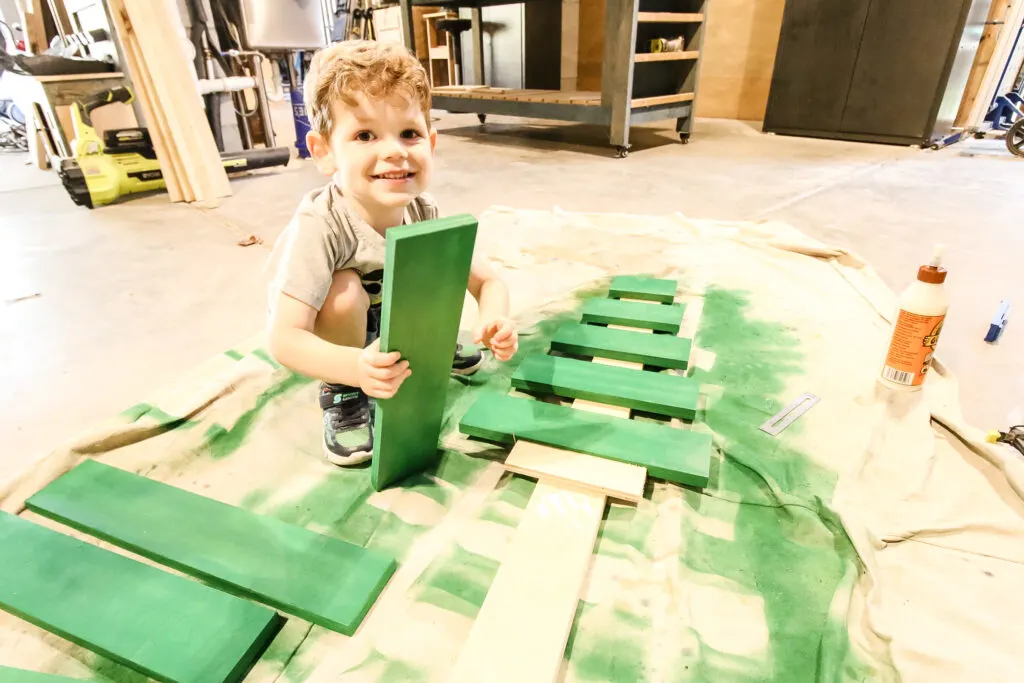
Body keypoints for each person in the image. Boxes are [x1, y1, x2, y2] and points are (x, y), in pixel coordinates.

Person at [265, 41, 518, 466]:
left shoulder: (423, 209)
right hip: (344, 339)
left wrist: (495, 317)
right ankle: (342, 393)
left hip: (392, 321)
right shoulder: (319, 225)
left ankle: (427, 347)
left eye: (409, 133)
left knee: (436, 256)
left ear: (431, 142)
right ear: (324, 151)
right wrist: (353, 368)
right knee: (344, 293)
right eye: (365, 135)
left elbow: (486, 280)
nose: (395, 150)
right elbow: (285, 339)